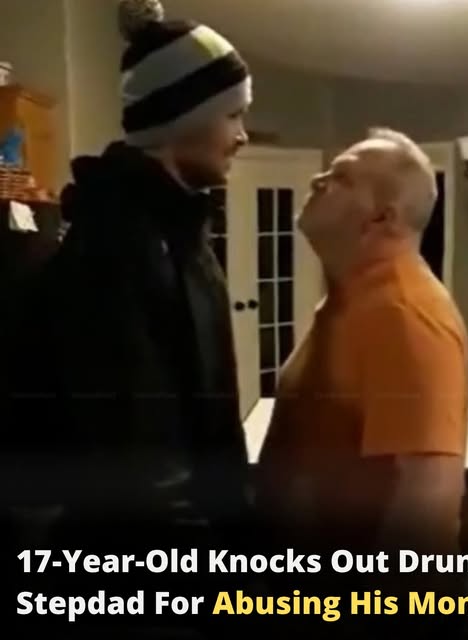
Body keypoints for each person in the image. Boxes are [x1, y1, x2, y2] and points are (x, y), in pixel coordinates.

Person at [1, 0, 253, 635]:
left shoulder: (179, 233)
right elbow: (144, 473)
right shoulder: (114, 253)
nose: (243, 135)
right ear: (179, 119)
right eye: (233, 114)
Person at [257, 128, 468, 633]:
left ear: (381, 218)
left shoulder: (404, 314)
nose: (318, 180)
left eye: (342, 178)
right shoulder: (353, 300)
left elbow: (424, 514)